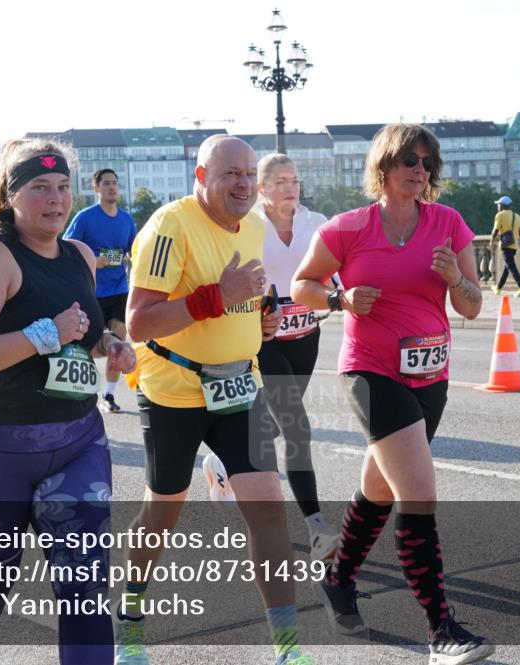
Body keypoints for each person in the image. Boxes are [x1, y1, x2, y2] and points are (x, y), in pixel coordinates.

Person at [291, 124, 494, 664]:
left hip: (431, 374)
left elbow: (473, 306)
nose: (420, 170)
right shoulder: (348, 228)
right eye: (410, 159)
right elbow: (302, 286)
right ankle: (441, 630)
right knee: (419, 490)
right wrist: (340, 298)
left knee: (380, 486)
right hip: (371, 370)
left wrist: (456, 277)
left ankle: (337, 580)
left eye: (428, 162)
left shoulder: (448, 224)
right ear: (385, 165)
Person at [0, 138, 136, 665]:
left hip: (75, 441)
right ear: (10, 195)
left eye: (64, 187)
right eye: (40, 187)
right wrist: (44, 333)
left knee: (86, 586)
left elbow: (83, 329)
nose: (56, 199)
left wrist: (109, 345)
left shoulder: (80, 255)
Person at [116, 135, 315, 665]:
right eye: (230, 174)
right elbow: (138, 322)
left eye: (249, 174)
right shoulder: (170, 226)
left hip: (238, 389)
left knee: (269, 510)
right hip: (174, 392)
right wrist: (217, 298)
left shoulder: (255, 226)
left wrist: (261, 317)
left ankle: (290, 650)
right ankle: (130, 624)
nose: (243, 184)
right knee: (163, 511)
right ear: (201, 177)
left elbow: (245, 295)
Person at [201, 153, 338, 561]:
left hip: (306, 337)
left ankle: (222, 465)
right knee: (298, 429)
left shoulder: (316, 224)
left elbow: (339, 268)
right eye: (279, 181)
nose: (289, 188)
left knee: (277, 426)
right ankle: (316, 528)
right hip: (265, 341)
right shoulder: (249, 227)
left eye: (293, 180)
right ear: (261, 188)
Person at [63, 168, 137, 414]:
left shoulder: (126, 219)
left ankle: (109, 395)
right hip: (91, 292)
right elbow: (65, 248)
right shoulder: (85, 218)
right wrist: (93, 260)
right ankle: (80, 390)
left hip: (119, 290)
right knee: (86, 344)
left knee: (117, 343)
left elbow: (134, 252)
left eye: (115, 183)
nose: (112, 188)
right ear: (96, 189)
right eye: (106, 184)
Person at [489, 195, 520, 297]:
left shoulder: (500, 215)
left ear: (502, 205)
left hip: (505, 245)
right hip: (514, 246)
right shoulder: (517, 216)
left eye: (498, 204)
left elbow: (496, 230)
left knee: (511, 266)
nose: (498, 206)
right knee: (508, 267)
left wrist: (492, 241)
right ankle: (498, 288)